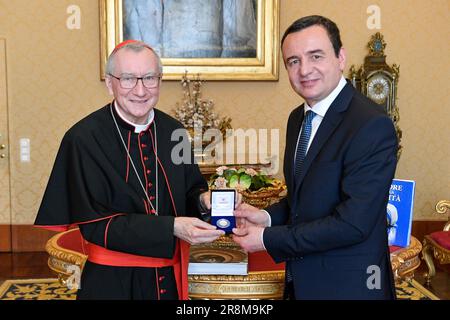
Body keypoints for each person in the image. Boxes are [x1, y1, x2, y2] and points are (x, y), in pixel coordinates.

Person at [34, 40, 225, 300]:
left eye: (149, 78)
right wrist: (171, 227)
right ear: (109, 83)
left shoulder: (174, 131)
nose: (140, 90)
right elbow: (96, 224)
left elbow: (189, 191)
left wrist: (204, 201)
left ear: (160, 80)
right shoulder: (83, 139)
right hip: (111, 282)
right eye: (127, 79)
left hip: (167, 282)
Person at [232, 15, 398, 300]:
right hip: (302, 282)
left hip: (349, 288)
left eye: (315, 56)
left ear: (340, 57)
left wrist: (266, 239)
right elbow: (305, 199)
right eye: (293, 61)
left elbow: (352, 223)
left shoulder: (371, 124)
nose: (304, 70)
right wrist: (265, 216)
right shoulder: (298, 118)